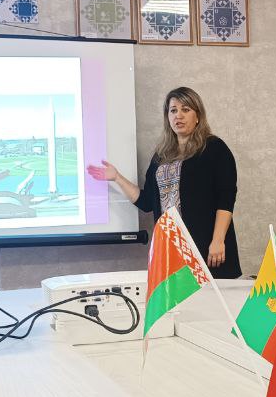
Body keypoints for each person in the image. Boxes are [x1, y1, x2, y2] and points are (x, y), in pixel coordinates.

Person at [87, 87, 241, 278]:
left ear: (198, 116)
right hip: (171, 250)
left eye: (186, 109)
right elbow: (146, 202)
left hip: (207, 247)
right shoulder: (161, 156)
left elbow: (226, 198)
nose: (179, 116)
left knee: (211, 296)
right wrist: (117, 177)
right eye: (173, 110)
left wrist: (218, 240)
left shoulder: (214, 148)